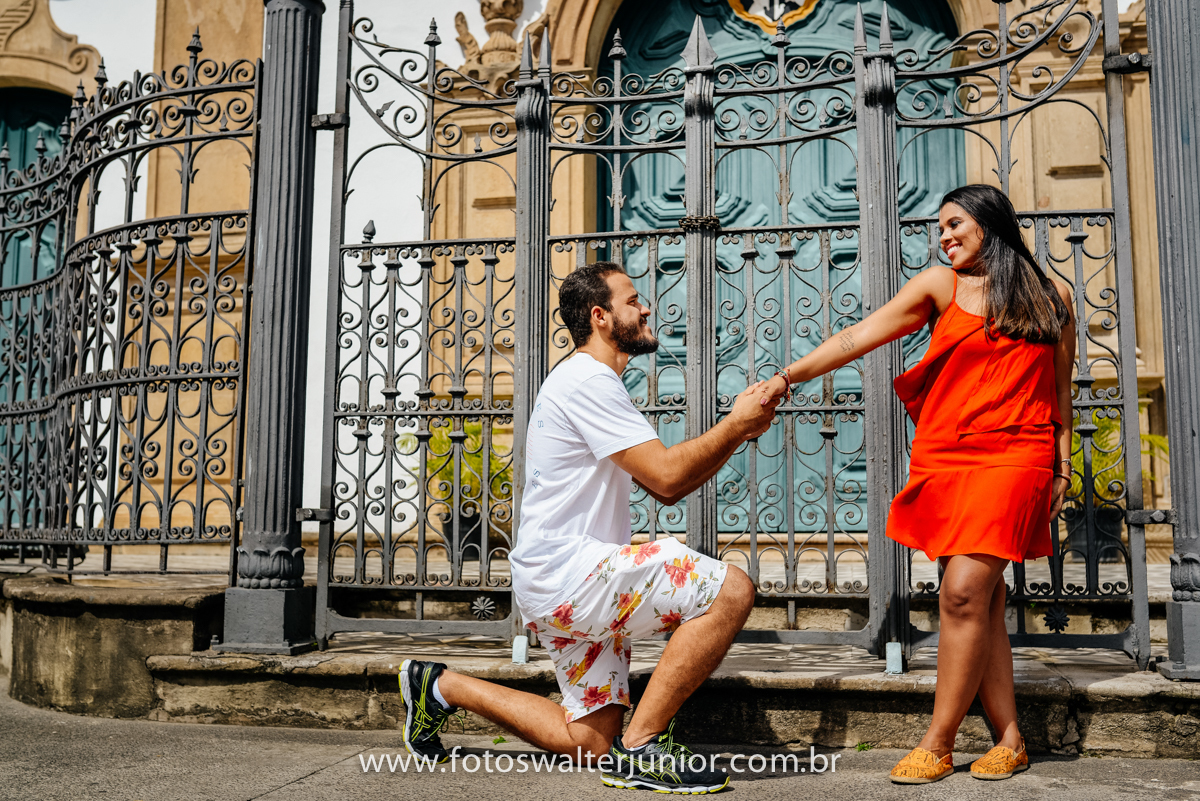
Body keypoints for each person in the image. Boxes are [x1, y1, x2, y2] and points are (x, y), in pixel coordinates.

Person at [399, 260, 778, 793]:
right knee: (731, 590)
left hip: (556, 583)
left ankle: (438, 686)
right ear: (600, 316)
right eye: (631, 300)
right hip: (572, 576)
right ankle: (644, 747)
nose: (645, 308)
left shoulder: (586, 380)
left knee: (590, 743)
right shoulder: (587, 380)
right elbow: (666, 479)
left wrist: (738, 430)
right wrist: (735, 423)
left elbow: (671, 481)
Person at [760, 184, 1075, 783]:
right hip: (947, 455)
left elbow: (1060, 392)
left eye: (955, 224)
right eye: (941, 228)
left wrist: (1061, 466)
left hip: (1017, 457)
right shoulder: (940, 286)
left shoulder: (1052, 295)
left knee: (959, 593)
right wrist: (788, 375)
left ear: (991, 224)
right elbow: (862, 334)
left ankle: (939, 740)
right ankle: (1010, 738)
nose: (945, 236)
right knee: (981, 600)